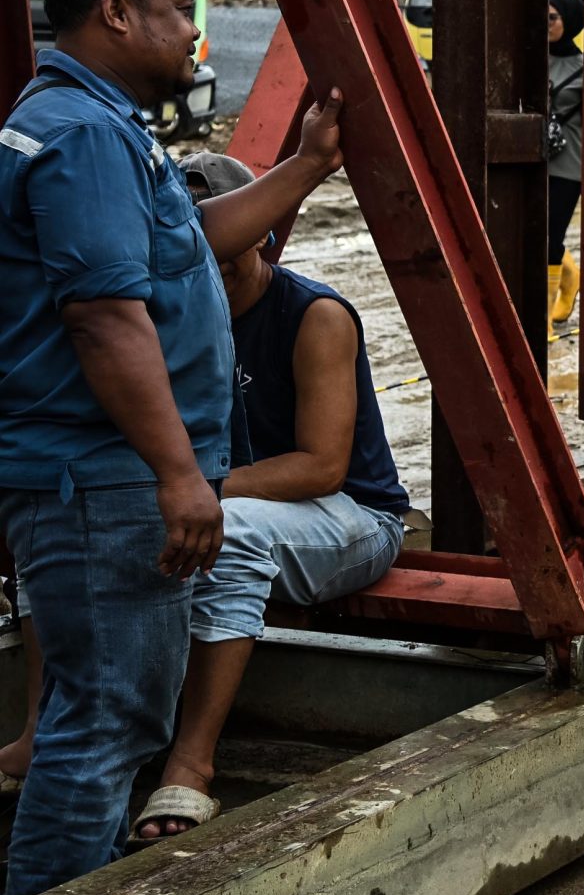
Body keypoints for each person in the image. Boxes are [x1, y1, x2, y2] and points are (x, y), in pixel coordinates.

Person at [0, 0, 343, 895]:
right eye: (181, 8)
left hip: (93, 476)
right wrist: (181, 474)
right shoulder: (82, 136)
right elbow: (106, 318)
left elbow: (183, 239)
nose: (195, 30)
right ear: (116, 12)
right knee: (106, 721)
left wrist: (305, 167)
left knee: (97, 714)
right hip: (104, 481)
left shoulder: (85, 122)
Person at [111, 153, 412, 841]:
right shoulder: (165, 320)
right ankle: (93, 737)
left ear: (261, 235)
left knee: (233, 528)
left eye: (225, 243)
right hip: (240, 509)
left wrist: (195, 490)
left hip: (356, 517)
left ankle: (191, 763)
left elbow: (322, 468)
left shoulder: (314, 315)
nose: (209, 262)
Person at [544, 0, 584, 335]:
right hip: (534, 159)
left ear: (569, 21)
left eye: (552, 18)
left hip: (569, 165)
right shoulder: (531, 57)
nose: (546, 25)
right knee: (536, 234)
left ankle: (541, 319)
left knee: (551, 235)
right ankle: (569, 273)